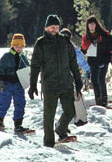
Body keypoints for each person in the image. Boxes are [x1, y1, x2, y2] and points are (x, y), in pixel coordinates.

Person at [28, 14, 83, 147]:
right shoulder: (41, 43)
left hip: (66, 83)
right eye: (52, 27)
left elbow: (73, 63)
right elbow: (35, 65)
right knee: (49, 115)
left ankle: (61, 129)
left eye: (57, 27)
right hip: (50, 84)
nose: (54, 30)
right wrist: (32, 84)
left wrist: (78, 80)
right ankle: (48, 143)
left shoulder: (65, 41)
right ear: (46, 27)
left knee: (70, 111)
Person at [81, 15, 112, 106]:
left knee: (101, 79)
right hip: (93, 61)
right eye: (90, 25)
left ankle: (104, 99)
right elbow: (83, 50)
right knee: (94, 80)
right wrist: (86, 45)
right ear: (87, 26)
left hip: (104, 59)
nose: (91, 26)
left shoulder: (104, 34)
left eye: (93, 24)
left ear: (96, 24)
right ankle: (98, 100)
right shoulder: (86, 36)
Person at [0, 34, 30, 133]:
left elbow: (28, 70)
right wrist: (0, 81)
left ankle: (18, 124)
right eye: (17, 46)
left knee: (20, 103)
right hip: (7, 84)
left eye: (21, 46)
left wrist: (28, 79)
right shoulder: (6, 57)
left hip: (19, 85)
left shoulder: (24, 58)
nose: (19, 48)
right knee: (4, 102)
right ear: (12, 45)